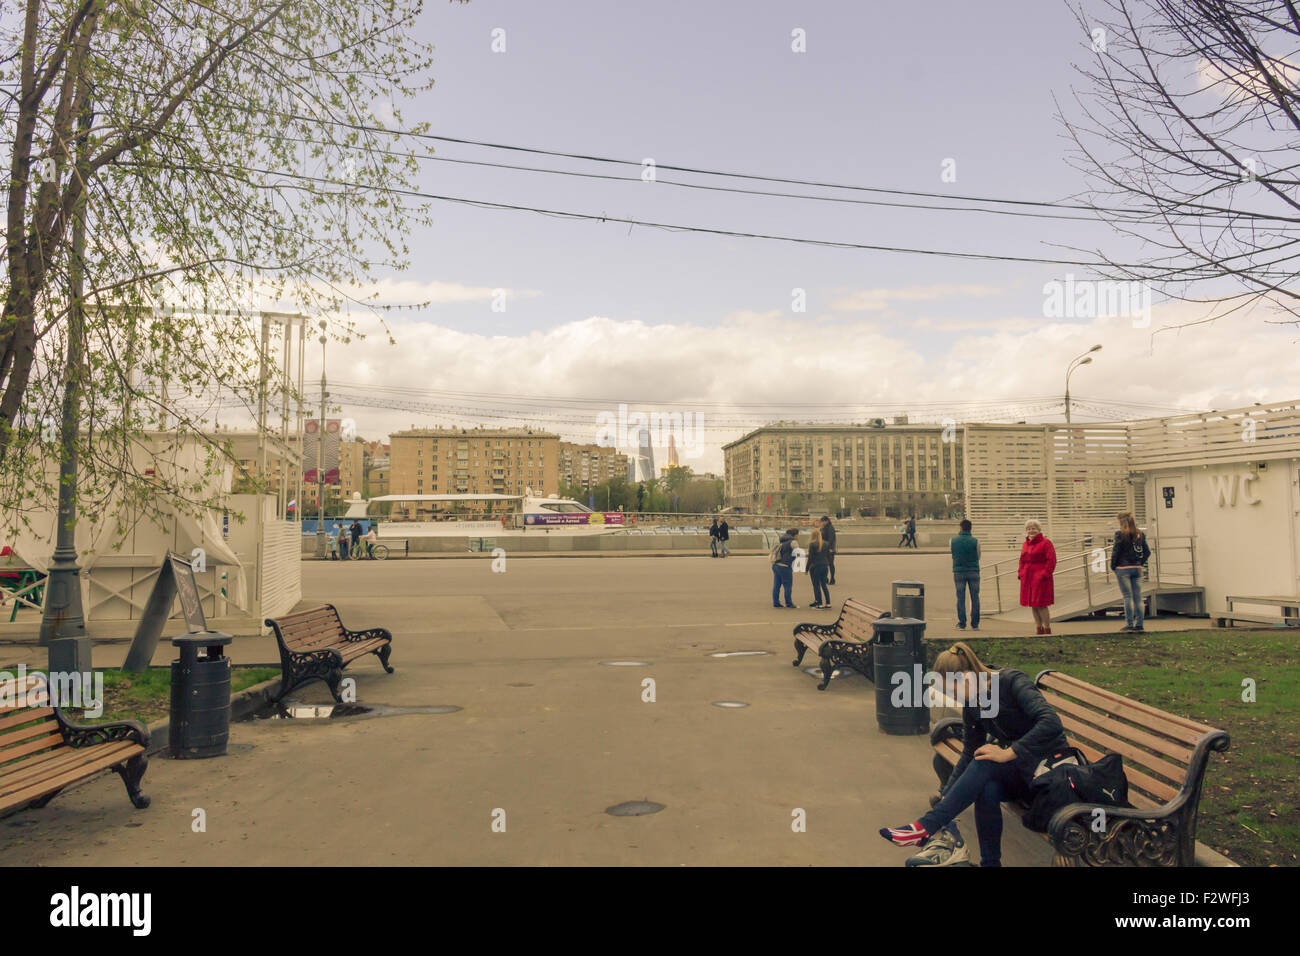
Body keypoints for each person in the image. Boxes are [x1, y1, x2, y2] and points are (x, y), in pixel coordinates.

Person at [880, 642, 1068, 867]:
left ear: (967, 676)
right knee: (987, 785)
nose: (952, 696)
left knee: (988, 762)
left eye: (952, 689)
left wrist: (1008, 753)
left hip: (1052, 775)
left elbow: (1051, 722)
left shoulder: (1010, 681)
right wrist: (946, 796)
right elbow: (969, 753)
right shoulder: (974, 703)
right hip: (1025, 775)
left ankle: (926, 827)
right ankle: (990, 863)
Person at [1111, 511, 1151, 633]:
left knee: (1127, 597)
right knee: (1138, 598)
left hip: (1123, 568)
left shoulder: (1119, 534)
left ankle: (1129, 624)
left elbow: (1116, 552)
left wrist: (1113, 566)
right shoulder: (1140, 534)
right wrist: (1140, 562)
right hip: (1137, 568)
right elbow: (1147, 552)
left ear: (1121, 522)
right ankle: (1139, 624)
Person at [1019, 519, 1056, 634]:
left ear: (1039, 530)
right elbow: (1022, 560)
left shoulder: (1046, 543)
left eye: (1033, 528)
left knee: (1041, 604)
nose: (1031, 531)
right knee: (1033, 605)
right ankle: (1038, 627)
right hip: (1028, 577)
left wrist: (1044, 574)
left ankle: (1047, 628)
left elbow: (1051, 560)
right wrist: (1021, 573)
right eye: (1029, 529)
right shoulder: (1025, 544)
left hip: (1040, 578)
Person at [951, 519, 981, 630]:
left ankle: (962, 623)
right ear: (970, 528)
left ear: (960, 527)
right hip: (973, 571)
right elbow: (978, 556)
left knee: (960, 598)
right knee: (975, 598)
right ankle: (975, 624)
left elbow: (953, 554)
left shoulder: (953, 541)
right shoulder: (975, 541)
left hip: (959, 572)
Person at [771, 528, 798, 609]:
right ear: (795, 534)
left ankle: (776, 602)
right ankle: (789, 603)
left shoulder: (782, 541)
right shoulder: (793, 542)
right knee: (788, 585)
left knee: (777, 585)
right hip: (785, 566)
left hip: (776, 565)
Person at [806, 527, 832, 609]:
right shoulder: (826, 544)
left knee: (816, 585)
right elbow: (828, 556)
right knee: (824, 585)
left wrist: (806, 569)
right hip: (824, 565)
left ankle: (819, 603)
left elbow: (810, 558)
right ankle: (828, 603)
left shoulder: (812, 544)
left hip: (816, 566)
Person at [819, 516, 837, 584]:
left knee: (830, 564)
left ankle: (832, 579)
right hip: (824, 548)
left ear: (826, 521)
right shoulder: (823, 528)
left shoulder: (830, 528)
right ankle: (825, 578)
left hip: (829, 549)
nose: (822, 523)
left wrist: (830, 548)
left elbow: (831, 539)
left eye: (822, 521)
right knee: (825, 564)